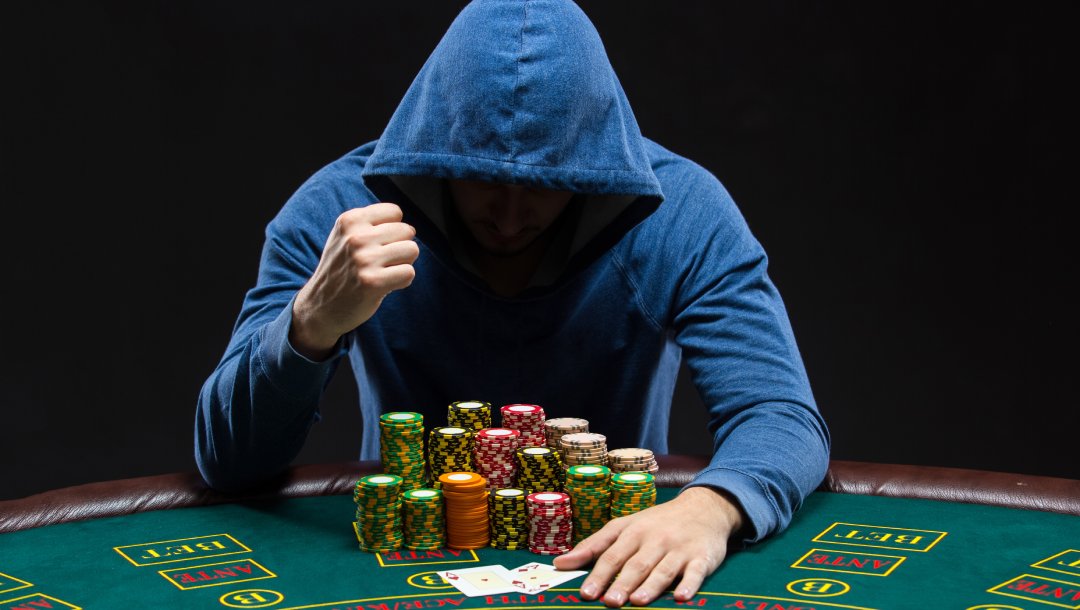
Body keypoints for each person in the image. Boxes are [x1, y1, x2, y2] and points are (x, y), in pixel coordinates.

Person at [195, 0, 830, 606]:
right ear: (432, 155)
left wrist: (710, 506)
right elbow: (229, 463)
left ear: (594, 167)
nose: (507, 217)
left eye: (547, 183)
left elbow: (780, 413)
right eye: (480, 177)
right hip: (398, 562)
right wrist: (309, 326)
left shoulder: (683, 211)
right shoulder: (338, 213)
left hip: (603, 565)